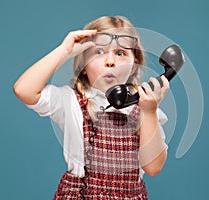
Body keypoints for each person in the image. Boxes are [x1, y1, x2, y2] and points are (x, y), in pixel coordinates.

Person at [13, 15, 169, 199]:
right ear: (84, 66)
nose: (110, 61)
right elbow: (23, 89)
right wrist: (64, 51)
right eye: (99, 52)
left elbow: (153, 167)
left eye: (120, 53)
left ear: (134, 66)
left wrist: (150, 113)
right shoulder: (69, 100)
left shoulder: (145, 107)